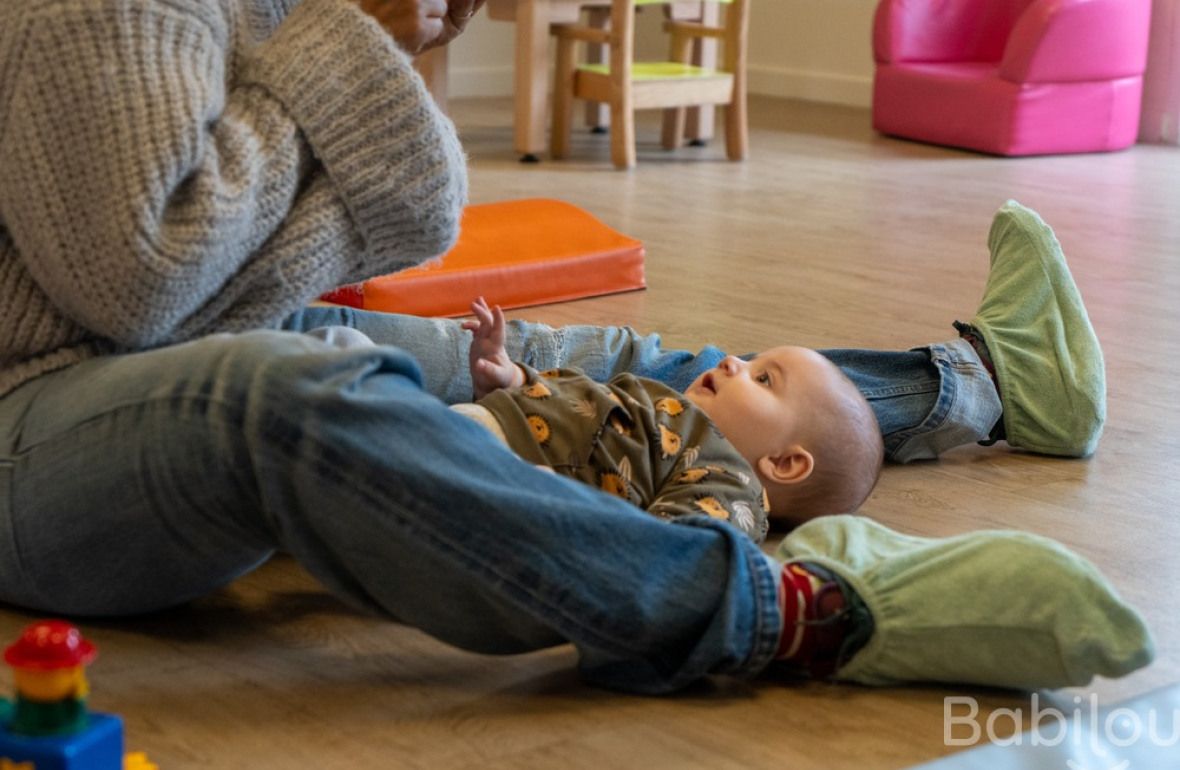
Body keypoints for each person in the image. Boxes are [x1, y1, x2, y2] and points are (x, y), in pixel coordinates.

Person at [0, 0, 1138, 696]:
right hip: (34, 408)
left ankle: (973, 389)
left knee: (601, 372)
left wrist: (350, 61)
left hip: (173, 327)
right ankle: (776, 608)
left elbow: (354, 223)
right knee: (294, 396)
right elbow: (142, 279)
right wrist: (348, 43)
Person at [454, 297, 883, 533]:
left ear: (784, 463)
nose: (733, 360)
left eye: (764, 379)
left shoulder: (731, 482)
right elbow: (581, 407)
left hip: (502, 473)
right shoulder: (668, 408)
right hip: (480, 429)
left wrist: (569, 508)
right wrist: (509, 378)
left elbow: (671, 547)